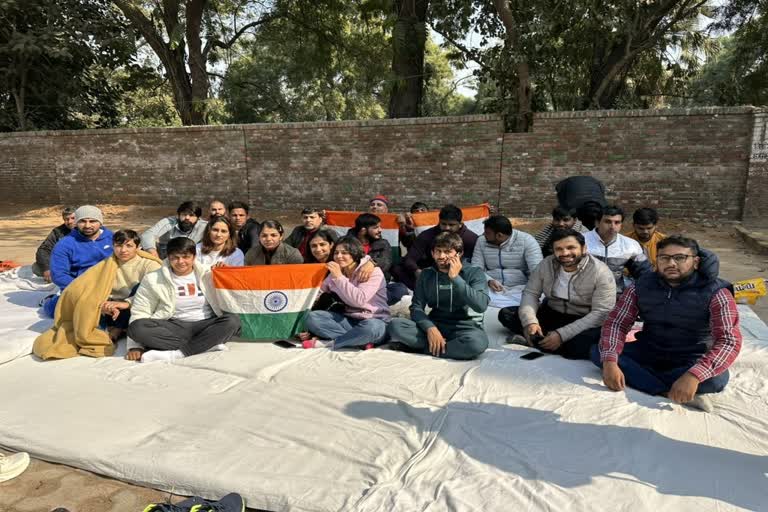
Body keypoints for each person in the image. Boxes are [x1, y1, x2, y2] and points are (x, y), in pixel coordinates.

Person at [592, 235, 742, 412]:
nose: (671, 263)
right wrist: (610, 361)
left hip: (690, 356)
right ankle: (664, 390)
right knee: (598, 351)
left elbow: (728, 341)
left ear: (695, 262)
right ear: (657, 261)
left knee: (715, 380)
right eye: (664, 257)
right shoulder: (641, 285)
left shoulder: (717, 292)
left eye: (679, 258)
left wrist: (693, 376)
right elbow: (617, 322)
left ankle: (652, 380)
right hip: (649, 349)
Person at [33, 230, 163, 359]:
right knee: (64, 307)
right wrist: (103, 305)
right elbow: (92, 288)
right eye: (118, 245)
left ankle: (117, 330)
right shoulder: (107, 264)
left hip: (136, 305)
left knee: (141, 288)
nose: (123, 250)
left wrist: (124, 304)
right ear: (113, 246)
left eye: (129, 246)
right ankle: (49, 300)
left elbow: (153, 294)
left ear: (138, 247)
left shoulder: (149, 265)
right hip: (110, 305)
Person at [498, 229, 616, 360]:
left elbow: (601, 313)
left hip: (583, 319)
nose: (565, 253)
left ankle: (537, 341)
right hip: (553, 313)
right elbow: (531, 293)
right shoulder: (546, 264)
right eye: (559, 249)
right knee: (506, 314)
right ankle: (544, 340)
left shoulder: (601, 272)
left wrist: (562, 335)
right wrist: (530, 322)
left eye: (571, 248)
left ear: (584, 248)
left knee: (581, 345)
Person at [126, 237, 241, 363]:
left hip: (206, 324)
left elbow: (235, 294)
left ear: (194, 256)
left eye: (186, 257)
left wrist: (226, 272)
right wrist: (135, 346)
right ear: (168, 257)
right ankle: (206, 344)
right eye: (175, 257)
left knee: (232, 321)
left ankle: (177, 354)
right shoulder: (153, 278)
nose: (181, 261)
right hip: (174, 325)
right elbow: (140, 310)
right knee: (136, 328)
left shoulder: (208, 273)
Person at [388, 232, 490, 360]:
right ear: (432, 253)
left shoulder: (474, 273)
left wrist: (455, 278)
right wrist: (430, 328)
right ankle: (447, 348)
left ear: (459, 254)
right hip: (436, 324)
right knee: (396, 326)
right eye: (438, 251)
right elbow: (416, 307)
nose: (441, 256)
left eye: (447, 252)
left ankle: (425, 348)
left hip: (466, 327)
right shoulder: (426, 274)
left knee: (477, 345)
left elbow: (481, 305)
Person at [302, 236, 390, 349]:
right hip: (348, 320)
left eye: (344, 253)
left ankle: (329, 343)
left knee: (372, 328)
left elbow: (359, 300)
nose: (339, 257)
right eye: (336, 253)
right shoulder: (337, 272)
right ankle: (358, 340)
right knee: (312, 317)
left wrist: (339, 277)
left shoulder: (373, 271)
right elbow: (317, 294)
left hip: (374, 320)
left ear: (355, 253)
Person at [42, 206, 114, 318]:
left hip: (110, 284)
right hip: (80, 288)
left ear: (100, 222)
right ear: (76, 222)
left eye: (93, 221)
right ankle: (51, 301)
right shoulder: (65, 244)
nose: (87, 225)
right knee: (58, 313)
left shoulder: (112, 238)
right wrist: (84, 289)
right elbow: (59, 275)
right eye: (82, 221)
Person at [392, 204, 479, 290]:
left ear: (460, 224)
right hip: (430, 272)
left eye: (451, 225)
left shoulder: (470, 239)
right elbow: (410, 258)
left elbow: (475, 264)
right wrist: (416, 271)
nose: (447, 228)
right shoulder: (427, 235)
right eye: (443, 224)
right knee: (398, 268)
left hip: (458, 274)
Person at [471, 215, 542, 307]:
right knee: (474, 295)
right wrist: (489, 280)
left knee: (535, 299)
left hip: (520, 288)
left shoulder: (527, 241)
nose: (483, 234)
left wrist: (532, 290)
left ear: (499, 235)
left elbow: (537, 271)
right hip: (491, 289)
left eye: (487, 233)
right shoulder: (481, 241)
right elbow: (476, 268)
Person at [584, 205, 651, 296]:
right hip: (583, 295)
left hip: (615, 295)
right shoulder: (580, 241)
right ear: (597, 222)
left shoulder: (630, 245)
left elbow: (645, 273)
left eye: (617, 222)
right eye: (608, 222)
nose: (612, 226)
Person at [349, 213, 409, 305]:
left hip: (377, 286)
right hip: (354, 285)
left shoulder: (383, 243)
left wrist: (372, 263)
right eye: (376, 227)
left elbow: (386, 262)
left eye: (380, 227)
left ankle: (365, 302)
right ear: (363, 230)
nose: (380, 230)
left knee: (400, 289)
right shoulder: (346, 244)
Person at [140, 201, 207, 259]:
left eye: (191, 215)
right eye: (184, 214)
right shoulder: (169, 222)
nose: (187, 217)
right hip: (165, 255)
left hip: (188, 258)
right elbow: (147, 235)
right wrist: (152, 251)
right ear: (178, 215)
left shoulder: (203, 226)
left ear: (198, 218)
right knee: (143, 249)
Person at [32, 206, 76, 281]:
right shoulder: (58, 232)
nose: (69, 222)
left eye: (73, 218)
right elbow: (44, 250)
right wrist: (47, 268)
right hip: (64, 264)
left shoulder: (87, 229)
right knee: (36, 267)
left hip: (82, 263)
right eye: (66, 219)